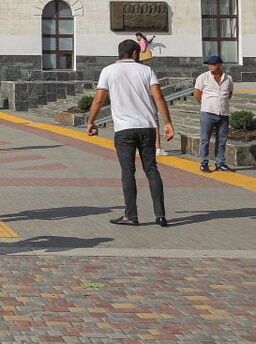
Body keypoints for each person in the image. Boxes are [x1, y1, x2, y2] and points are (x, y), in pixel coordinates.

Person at [87, 38, 175, 227]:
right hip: (147, 128)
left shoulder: (108, 71)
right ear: (135, 53)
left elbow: (98, 100)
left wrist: (91, 121)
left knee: (128, 172)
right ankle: (160, 215)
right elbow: (158, 97)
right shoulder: (147, 70)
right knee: (151, 169)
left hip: (124, 130)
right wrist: (168, 122)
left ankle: (131, 215)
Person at [194, 54, 235, 173]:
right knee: (205, 139)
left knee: (222, 140)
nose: (210, 66)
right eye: (209, 64)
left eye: (213, 64)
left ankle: (220, 162)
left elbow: (229, 93)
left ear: (220, 65)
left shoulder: (228, 78)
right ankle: (203, 163)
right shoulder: (203, 77)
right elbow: (197, 94)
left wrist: (221, 102)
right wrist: (207, 104)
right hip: (208, 112)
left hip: (223, 113)